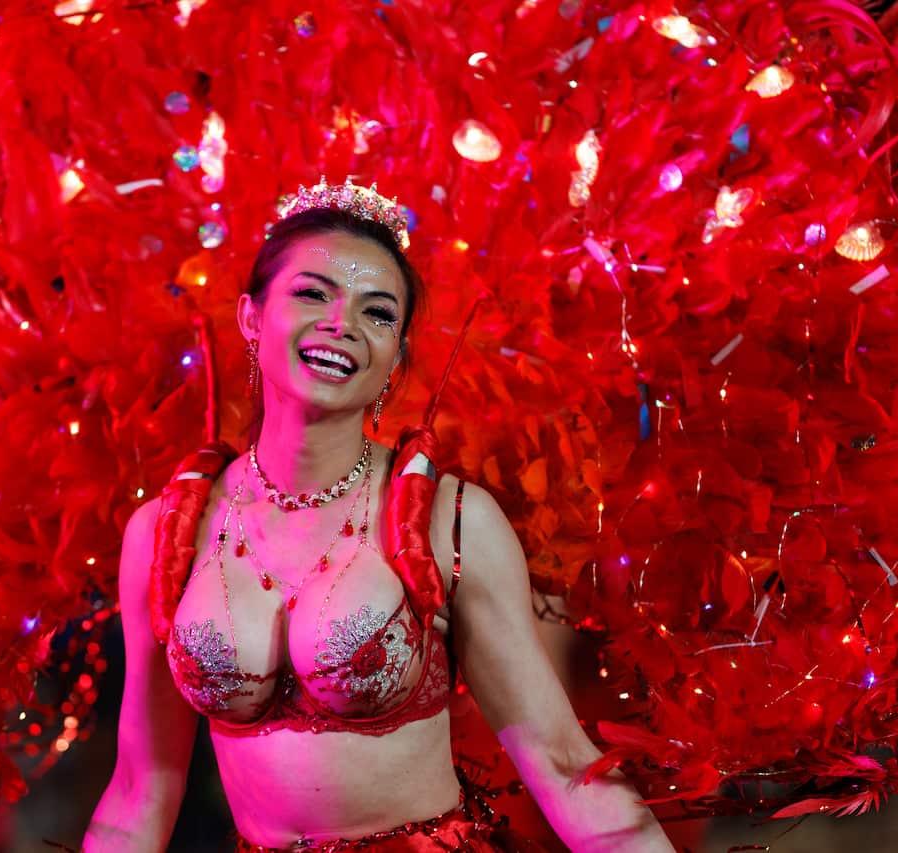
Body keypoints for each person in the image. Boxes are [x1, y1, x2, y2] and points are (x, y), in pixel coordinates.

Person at [83, 179, 676, 852]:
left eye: (379, 313)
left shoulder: (451, 521)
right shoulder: (166, 533)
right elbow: (141, 788)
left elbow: (564, 763)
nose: (343, 325)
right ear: (251, 317)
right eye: (312, 293)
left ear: (395, 357)